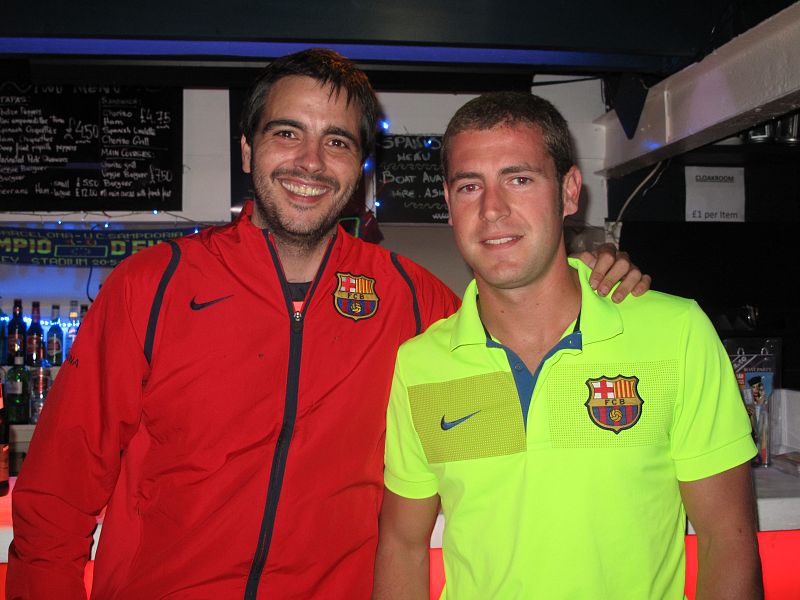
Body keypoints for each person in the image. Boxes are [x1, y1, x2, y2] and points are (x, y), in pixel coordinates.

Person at [7, 51, 648, 600]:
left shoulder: (415, 303)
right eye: (287, 133)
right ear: (247, 148)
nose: (310, 161)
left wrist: (590, 276)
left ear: (361, 166)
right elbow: (56, 501)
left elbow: (500, 459)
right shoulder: (152, 288)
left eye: (337, 141)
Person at [374, 92, 762, 599]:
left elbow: (727, 539)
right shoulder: (423, 363)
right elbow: (402, 545)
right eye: (470, 186)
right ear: (448, 204)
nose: (492, 209)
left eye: (519, 179)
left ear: (569, 191)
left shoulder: (676, 333)